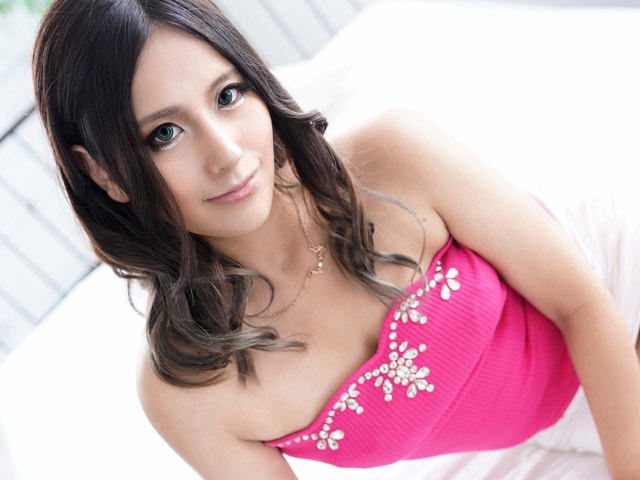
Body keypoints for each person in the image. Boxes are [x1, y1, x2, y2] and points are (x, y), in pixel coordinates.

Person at [32, 0, 640, 478]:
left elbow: (581, 304)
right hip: (551, 431)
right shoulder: (189, 389)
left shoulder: (393, 154)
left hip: (617, 293)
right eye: (165, 133)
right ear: (104, 173)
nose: (228, 154)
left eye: (228, 95)